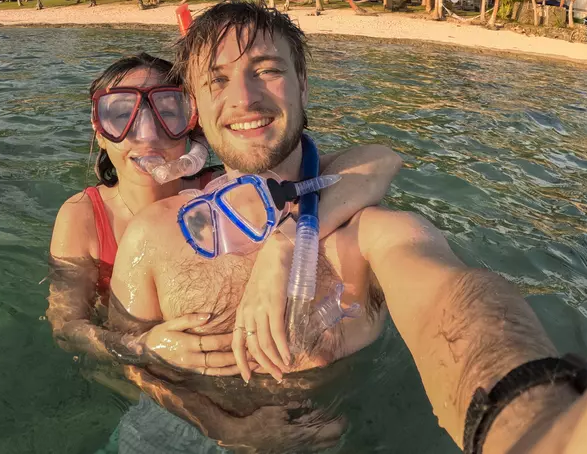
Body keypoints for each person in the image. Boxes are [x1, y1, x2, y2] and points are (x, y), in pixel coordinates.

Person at [107, 2, 587, 453]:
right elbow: (113, 352)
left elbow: (454, 301)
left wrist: (534, 426)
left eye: (268, 70)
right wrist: (203, 409)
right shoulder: (153, 236)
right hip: (166, 433)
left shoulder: (366, 235)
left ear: (303, 86)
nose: (246, 97)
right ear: (197, 110)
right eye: (219, 79)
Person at [46, 52, 402, 383]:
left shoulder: (228, 190)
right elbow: (66, 327)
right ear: (99, 130)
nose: (147, 136)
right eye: (120, 115)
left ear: (192, 124)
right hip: (147, 376)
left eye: (168, 112)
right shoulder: (82, 217)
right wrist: (141, 347)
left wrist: (290, 238)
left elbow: (378, 160)